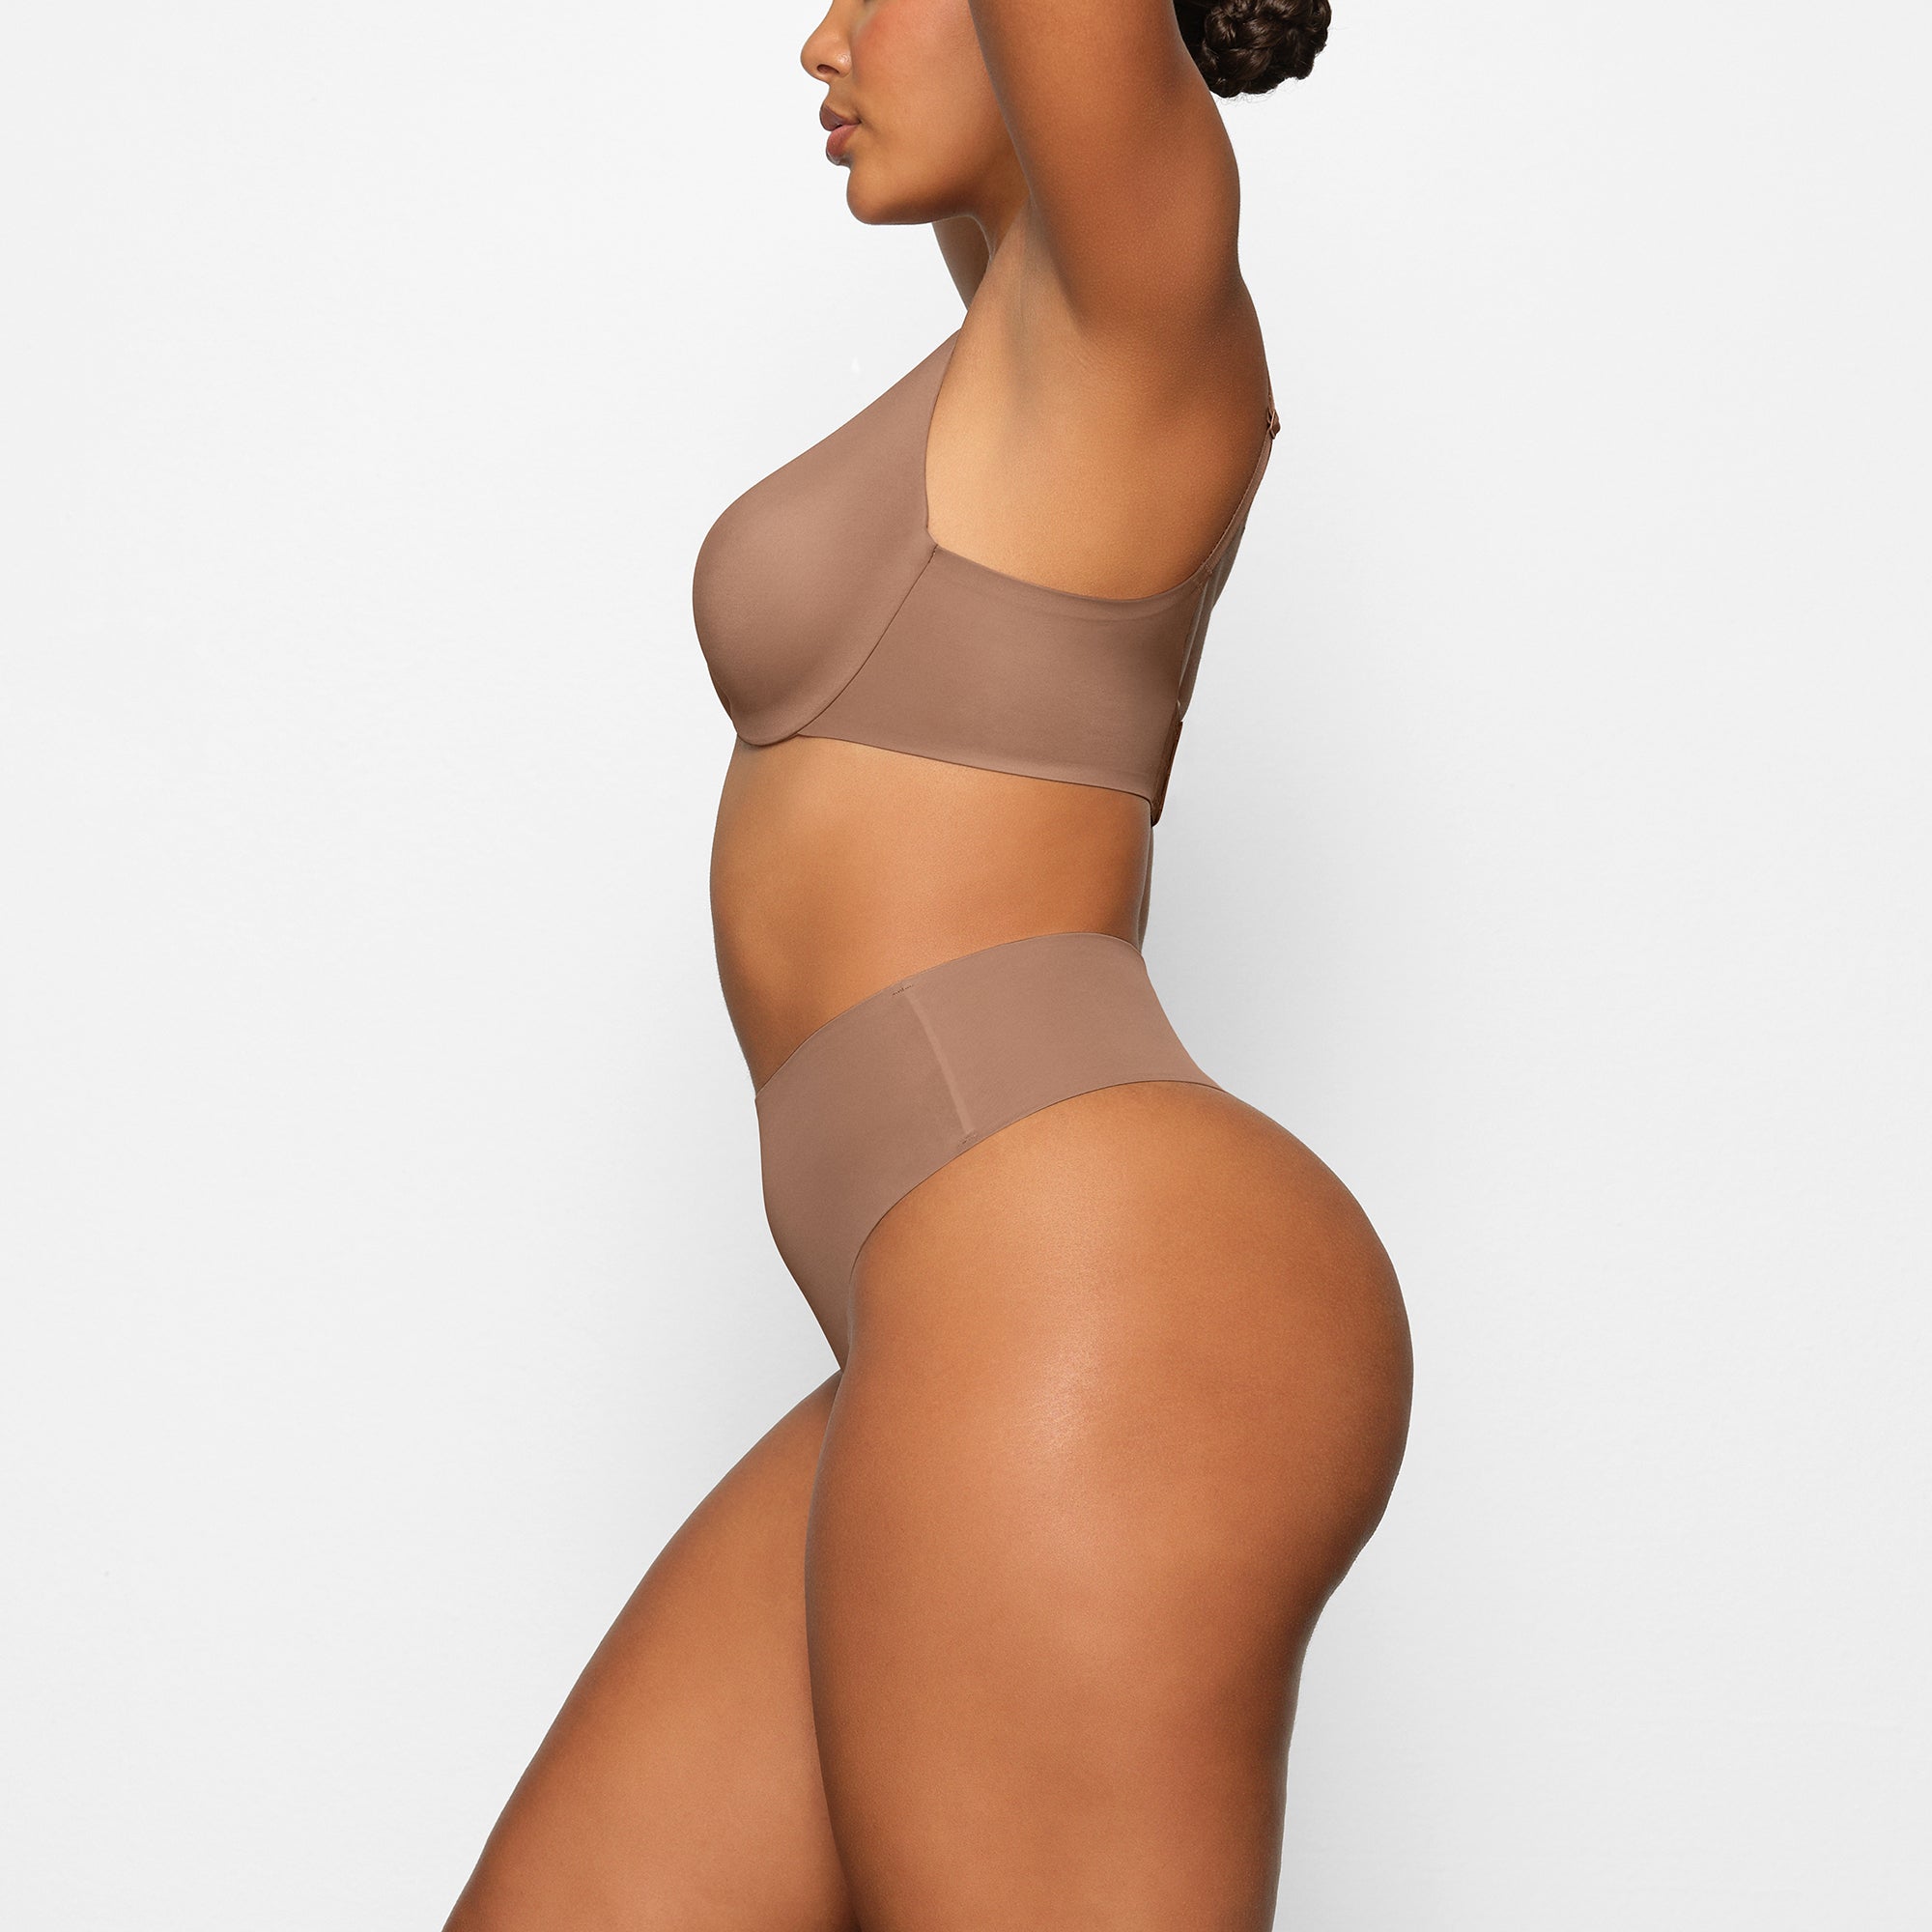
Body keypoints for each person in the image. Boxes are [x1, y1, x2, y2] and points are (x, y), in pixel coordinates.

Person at [445, 1, 1411, 1924]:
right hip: (955, 1314)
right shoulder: (1011, 353)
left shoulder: (1136, 326)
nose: (823, 43)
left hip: (1095, 1274)